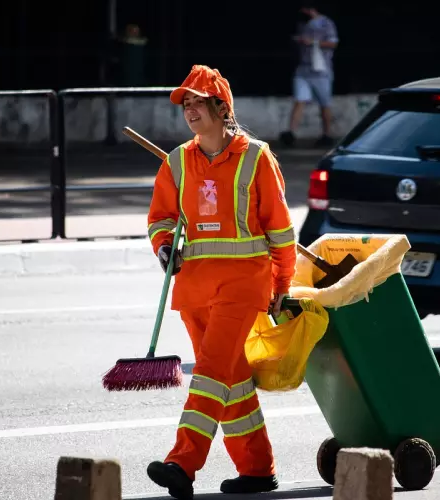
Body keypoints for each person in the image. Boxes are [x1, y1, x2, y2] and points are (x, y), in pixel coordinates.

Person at [145, 64, 297, 500]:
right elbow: (161, 218)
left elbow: (281, 231)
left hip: (242, 286)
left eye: (197, 102)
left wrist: (280, 285)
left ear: (220, 107)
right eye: (185, 104)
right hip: (192, 288)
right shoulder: (177, 161)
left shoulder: (256, 157)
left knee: (210, 374)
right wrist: (163, 248)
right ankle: (256, 469)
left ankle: (182, 463)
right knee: (230, 379)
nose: (189, 110)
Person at [280, 1, 339, 149]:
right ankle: (291, 133)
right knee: (299, 100)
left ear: (310, 9)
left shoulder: (325, 23)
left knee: (324, 103)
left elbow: (333, 43)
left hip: (321, 70)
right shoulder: (303, 25)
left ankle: (327, 134)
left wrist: (313, 42)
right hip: (304, 69)